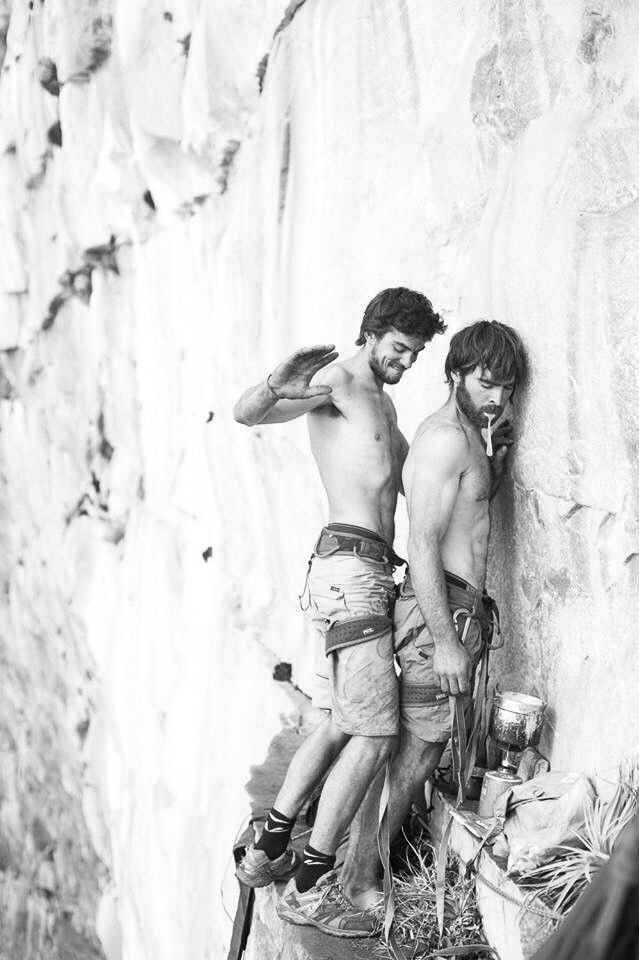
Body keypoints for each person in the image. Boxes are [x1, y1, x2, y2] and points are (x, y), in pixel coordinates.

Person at [232, 288, 446, 936]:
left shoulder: (378, 399)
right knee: (376, 732)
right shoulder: (341, 380)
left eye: (413, 356)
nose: (403, 363)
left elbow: (413, 477)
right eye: (397, 349)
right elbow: (247, 413)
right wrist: (277, 381)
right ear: (373, 332)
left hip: (354, 572)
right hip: (351, 573)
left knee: (331, 720)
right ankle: (309, 882)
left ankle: (270, 850)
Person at [338, 320, 528, 920]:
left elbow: (466, 508)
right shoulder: (447, 439)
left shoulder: (469, 437)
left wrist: (494, 458)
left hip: (450, 606)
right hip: (435, 612)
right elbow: (422, 544)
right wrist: (447, 642)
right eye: (487, 384)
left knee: (420, 746)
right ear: (456, 375)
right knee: (419, 749)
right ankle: (361, 878)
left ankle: (364, 863)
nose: (497, 397)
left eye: (507, 388)